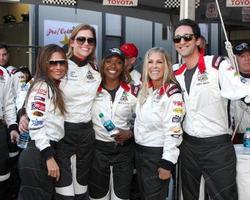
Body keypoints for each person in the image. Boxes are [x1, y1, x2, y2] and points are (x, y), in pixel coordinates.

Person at [19, 24, 101, 200]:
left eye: (90, 40)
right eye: (81, 39)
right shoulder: (60, 64)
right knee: (62, 193)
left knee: (80, 192)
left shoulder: (96, 71)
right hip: (61, 136)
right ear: (72, 42)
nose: (85, 43)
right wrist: (23, 113)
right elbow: (31, 90)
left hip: (86, 135)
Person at [173, 19, 250, 200]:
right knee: (189, 196)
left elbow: (243, 88)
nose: (182, 42)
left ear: (197, 40)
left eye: (187, 37)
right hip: (188, 146)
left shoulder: (217, 65)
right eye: (177, 39)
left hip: (218, 147)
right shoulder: (176, 72)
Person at [18, 44, 68, 200]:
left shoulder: (52, 85)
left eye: (62, 62)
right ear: (43, 63)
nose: (58, 67)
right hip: (39, 154)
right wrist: (49, 157)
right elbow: (36, 123)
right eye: (53, 63)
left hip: (43, 151)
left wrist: (23, 113)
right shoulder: (42, 86)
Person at [134, 47, 184, 200]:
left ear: (166, 65)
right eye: (150, 62)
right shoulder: (146, 90)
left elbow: (174, 130)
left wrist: (167, 162)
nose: (154, 66)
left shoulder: (172, 93)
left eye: (159, 62)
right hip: (139, 153)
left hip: (157, 155)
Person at [88, 47, 138, 200]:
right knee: (98, 197)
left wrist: (130, 133)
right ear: (102, 64)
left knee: (121, 197)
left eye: (118, 62)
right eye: (109, 61)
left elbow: (145, 120)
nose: (113, 66)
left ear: (124, 66)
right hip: (97, 151)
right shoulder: (90, 90)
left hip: (123, 151)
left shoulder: (133, 91)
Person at [0, 66, 19, 199]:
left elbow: (8, 103)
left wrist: (12, 126)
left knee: (3, 172)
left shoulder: (3, 73)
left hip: (0, 127)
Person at [231, 42, 250, 143]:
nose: (247, 59)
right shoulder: (229, 81)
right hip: (238, 138)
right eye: (242, 56)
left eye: (249, 55)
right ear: (235, 59)